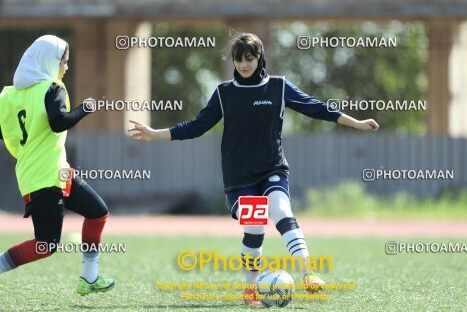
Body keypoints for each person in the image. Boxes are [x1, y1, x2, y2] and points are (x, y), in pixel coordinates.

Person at [128, 33, 379, 306]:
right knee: (256, 225)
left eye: (250, 58)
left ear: (260, 58)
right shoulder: (224, 93)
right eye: (238, 59)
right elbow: (196, 126)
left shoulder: (279, 87)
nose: (244, 64)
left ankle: (308, 272)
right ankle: (251, 289)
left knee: (282, 210)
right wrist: (155, 134)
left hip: (273, 169)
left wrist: (358, 123)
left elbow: (316, 108)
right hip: (239, 179)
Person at [0, 35, 115, 295]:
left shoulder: (8, 95)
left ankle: (89, 277)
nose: (66, 67)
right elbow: (58, 122)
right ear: (50, 62)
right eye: (64, 61)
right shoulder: (52, 87)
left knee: (98, 212)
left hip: (54, 173)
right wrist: (86, 107)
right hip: (45, 177)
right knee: (46, 246)